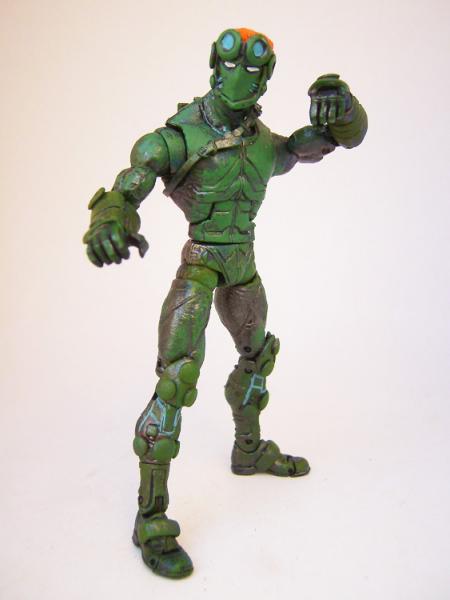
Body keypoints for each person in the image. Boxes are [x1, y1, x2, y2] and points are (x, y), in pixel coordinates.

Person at [83, 27, 367, 579]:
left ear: (266, 78)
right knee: (175, 382)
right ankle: (151, 518)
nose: (240, 73)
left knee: (256, 355)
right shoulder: (175, 139)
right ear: (215, 66)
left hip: (242, 264)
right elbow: (127, 187)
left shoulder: (266, 144)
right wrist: (109, 220)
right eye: (231, 61)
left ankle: (248, 448)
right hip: (201, 264)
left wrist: (343, 106)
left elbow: (333, 140)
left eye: (254, 66)